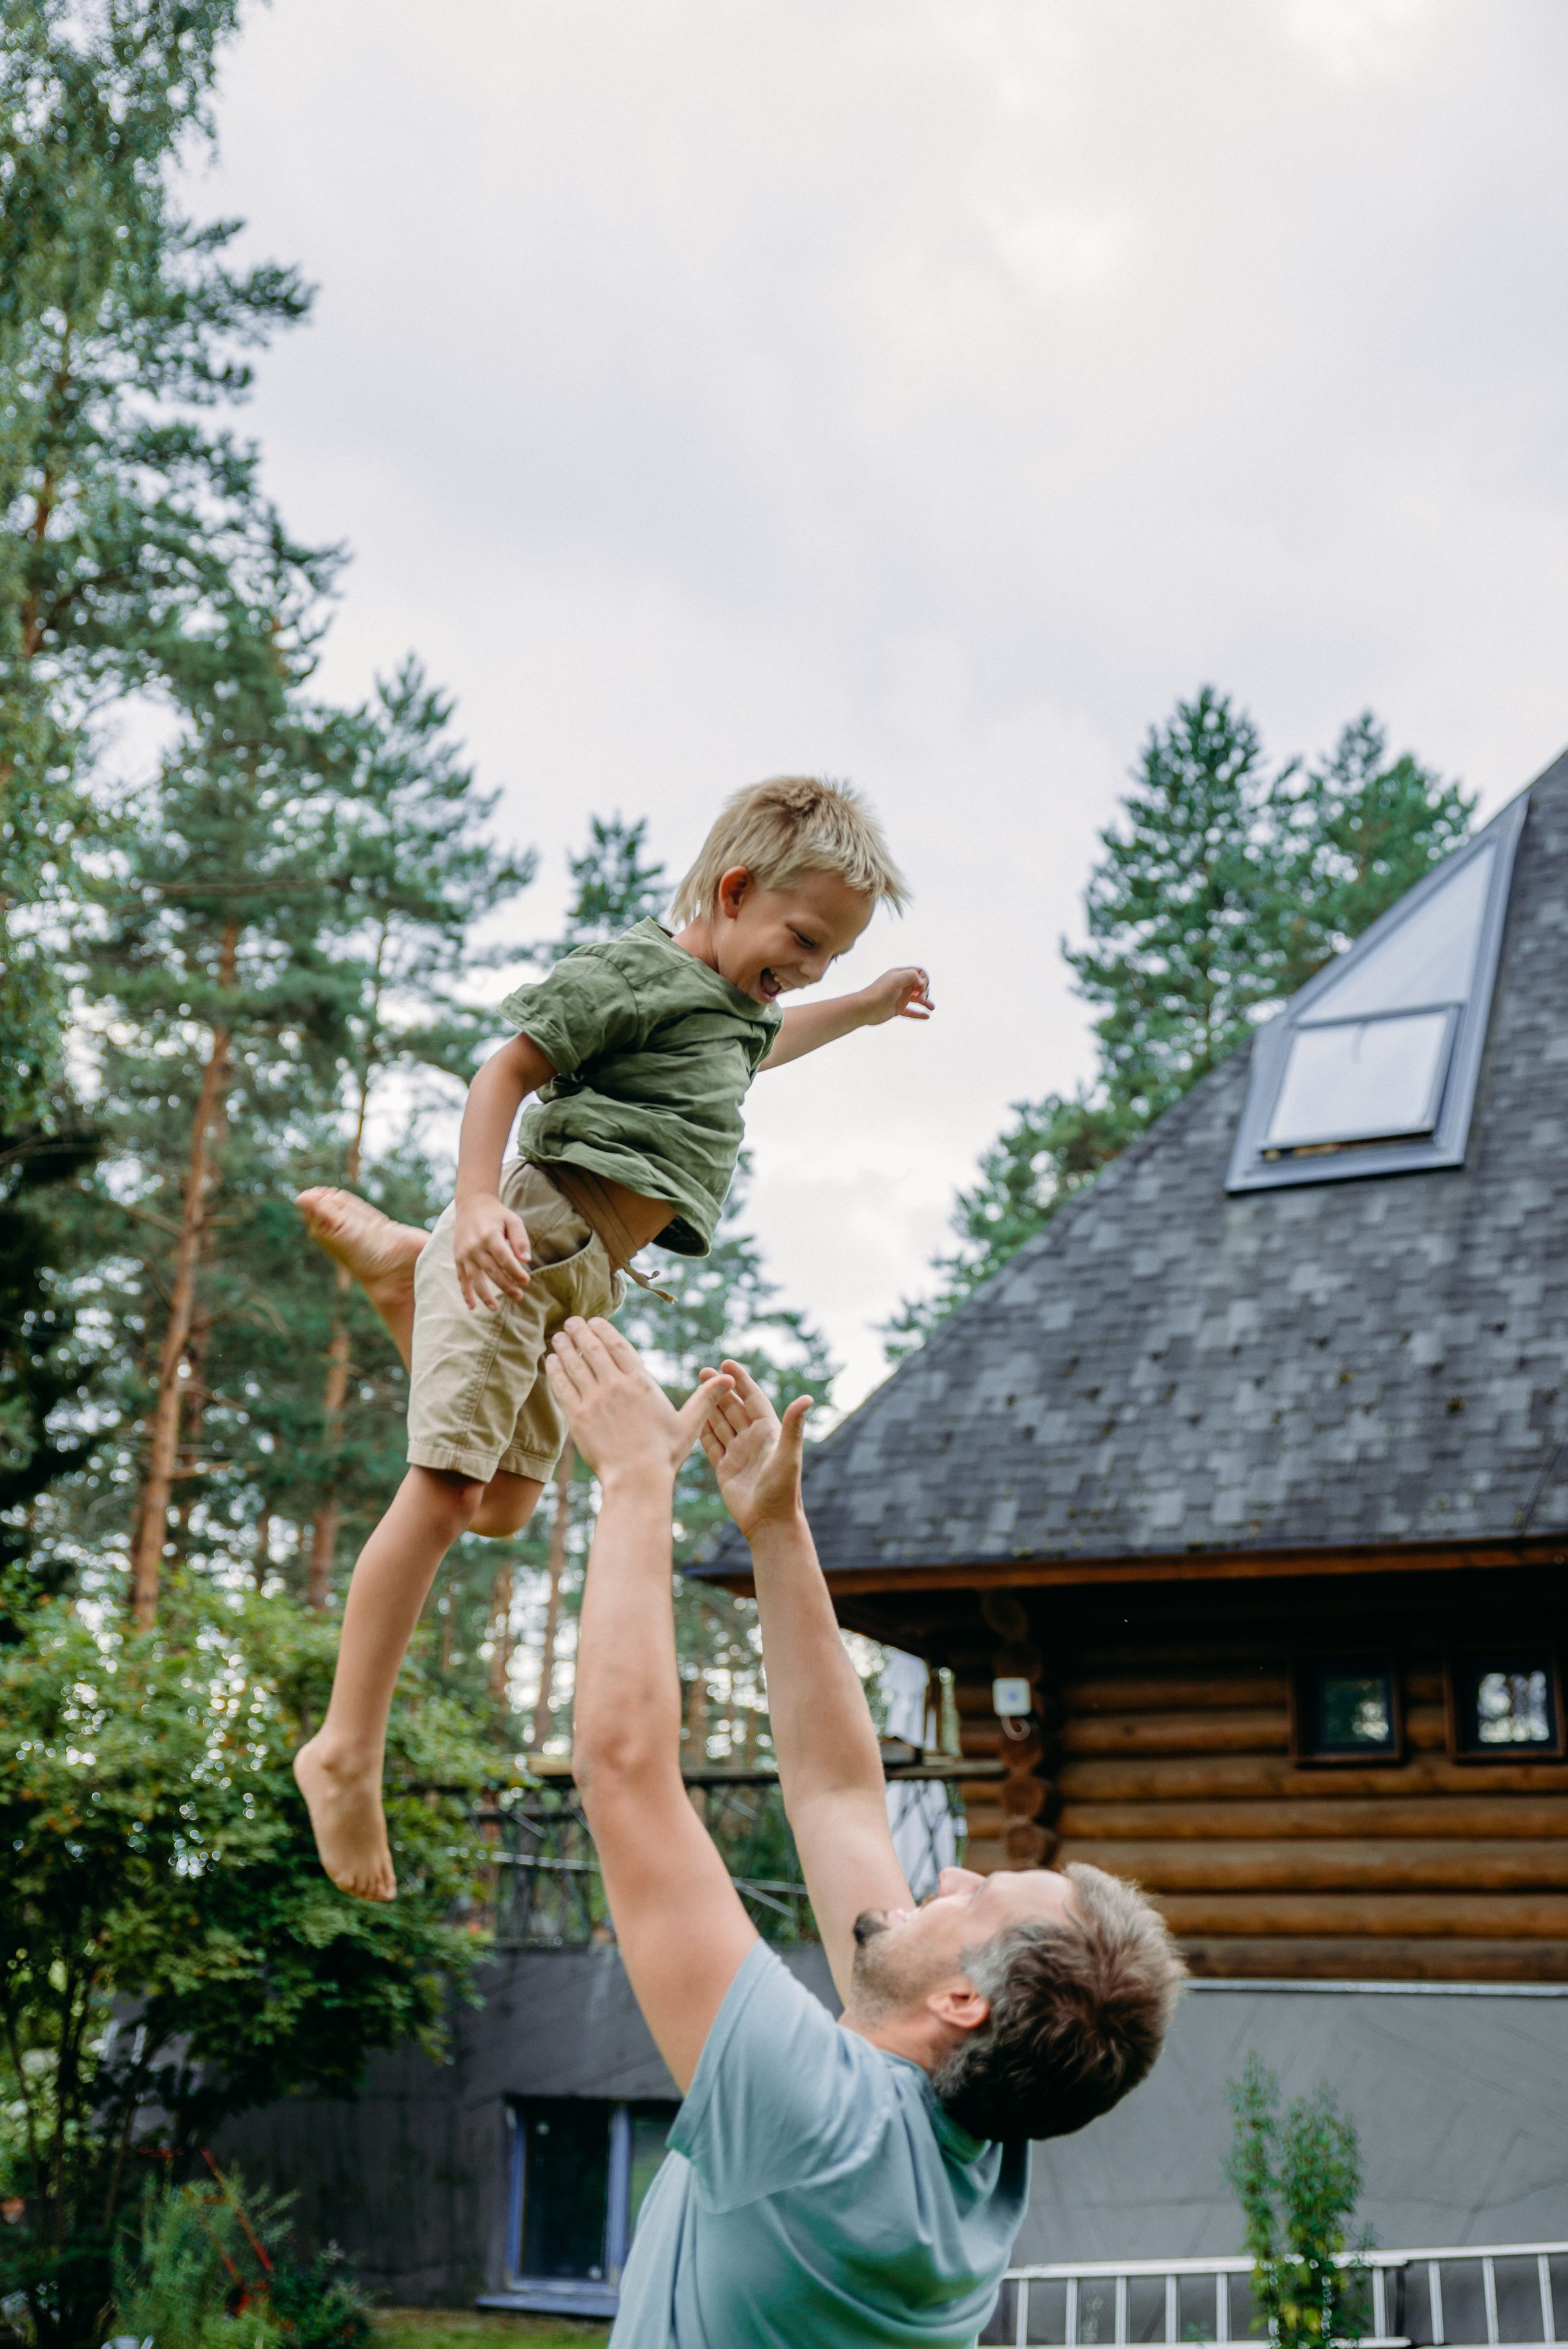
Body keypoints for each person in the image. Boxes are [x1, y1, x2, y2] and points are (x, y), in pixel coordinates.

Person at [292, 776, 933, 1899]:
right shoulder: (639, 973)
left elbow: (769, 1043)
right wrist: (478, 1199)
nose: (814, 969)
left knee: (504, 1507)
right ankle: (344, 1748)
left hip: (578, 1281)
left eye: (832, 953)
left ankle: (409, 1278)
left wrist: (870, 1006)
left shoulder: (733, 1011)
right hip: (525, 1238)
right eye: (806, 940)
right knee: (441, 1494)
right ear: (733, 891)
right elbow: (509, 1068)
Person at [545, 1315, 1188, 2349]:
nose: (948, 1874)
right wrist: (775, 1530)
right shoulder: (966, 2147)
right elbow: (838, 1794)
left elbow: (624, 1773)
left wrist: (634, 1482)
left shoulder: (817, 2127)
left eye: (976, 1897)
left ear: (963, 1998)